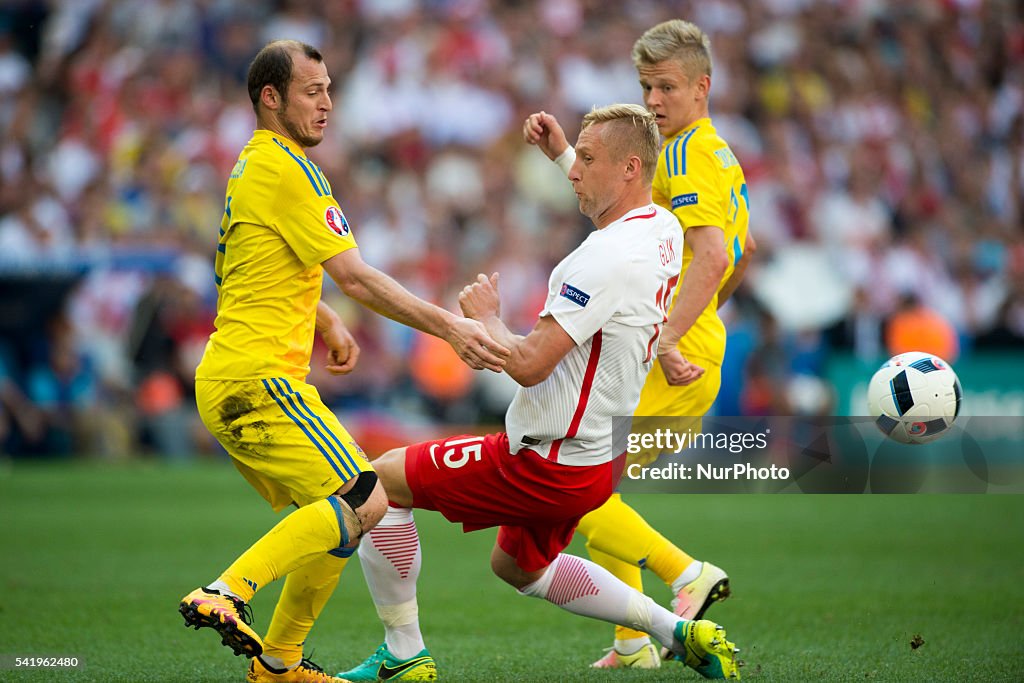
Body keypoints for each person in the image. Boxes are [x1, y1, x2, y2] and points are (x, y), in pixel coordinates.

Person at [337, 104, 740, 682]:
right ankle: (676, 629)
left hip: (545, 459)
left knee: (378, 484)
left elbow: (527, 366)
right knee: (517, 568)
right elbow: (613, 212)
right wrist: (562, 154)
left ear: (629, 167)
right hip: (599, 458)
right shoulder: (664, 228)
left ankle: (403, 654)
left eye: (589, 160)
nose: (576, 172)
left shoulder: (599, 259)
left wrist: (489, 319)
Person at [177, 40, 509, 683]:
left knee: (337, 519)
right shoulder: (288, 169)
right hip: (257, 377)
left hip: (234, 373)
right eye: (311, 91)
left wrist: (323, 319)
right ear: (270, 99)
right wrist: (448, 326)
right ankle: (226, 590)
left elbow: (247, 267)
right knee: (366, 495)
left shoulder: (254, 166)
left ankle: (278, 665)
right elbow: (355, 277)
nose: (327, 104)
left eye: (330, 89)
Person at [522, 18, 754, 669]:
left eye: (666, 88)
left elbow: (710, 255)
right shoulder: (717, 154)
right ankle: (633, 642)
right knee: (596, 485)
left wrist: (667, 336)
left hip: (668, 357)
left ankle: (687, 574)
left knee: (574, 485)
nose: (653, 101)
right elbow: (743, 251)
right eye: (646, 87)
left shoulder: (685, 155)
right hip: (689, 351)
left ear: (701, 86)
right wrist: (568, 155)